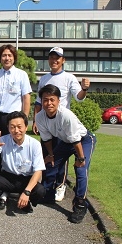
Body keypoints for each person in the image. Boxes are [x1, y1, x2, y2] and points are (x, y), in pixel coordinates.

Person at [32, 47, 90, 202]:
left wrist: (84, 88)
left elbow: (79, 97)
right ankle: (47, 187)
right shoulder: (44, 78)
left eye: (57, 58)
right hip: (47, 122)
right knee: (49, 156)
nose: (54, 60)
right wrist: (35, 119)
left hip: (63, 125)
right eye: (51, 57)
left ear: (63, 60)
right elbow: (39, 101)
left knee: (62, 160)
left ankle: (60, 185)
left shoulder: (69, 77)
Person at [35, 84, 96, 223]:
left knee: (81, 170)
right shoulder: (40, 117)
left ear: (58, 101)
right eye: (45, 100)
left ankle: (80, 204)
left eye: (52, 100)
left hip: (83, 140)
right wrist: (50, 155)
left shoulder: (66, 115)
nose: (48, 103)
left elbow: (76, 139)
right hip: (65, 141)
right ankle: (48, 194)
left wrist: (80, 158)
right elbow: (47, 139)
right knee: (51, 164)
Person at [0, 111, 46, 213]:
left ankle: (25, 200)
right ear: (8, 128)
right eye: (12, 127)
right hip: (7, 177)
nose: (16, 130)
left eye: (19, 126)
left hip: (26, 178)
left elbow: (38, 171)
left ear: (26, 127)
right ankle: (1, 198)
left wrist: (27, 192)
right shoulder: (3, 140)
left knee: (40, 191)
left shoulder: (35, 144)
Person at [0, 44, 32, 175]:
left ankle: (12, 178)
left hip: (13, 118)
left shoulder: (21, 75)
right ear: (0, 58)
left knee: (12, 148)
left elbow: (26, 98)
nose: (7, 58)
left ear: (14, 58)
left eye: (9, 55)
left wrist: (24, 119)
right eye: (4, 55)